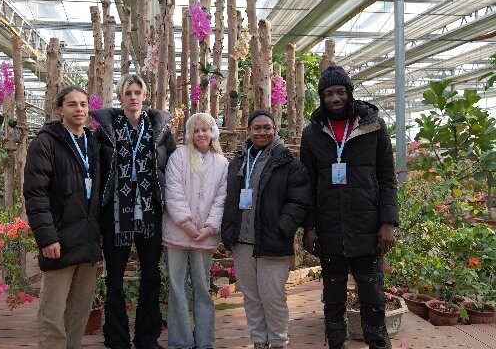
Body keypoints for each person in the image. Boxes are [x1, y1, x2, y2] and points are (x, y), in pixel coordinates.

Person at [300, 65, 398, 349]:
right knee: (333, 300)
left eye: (340, 92)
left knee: (373, 298)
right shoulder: (312, 134)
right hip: (330, 230)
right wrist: (309, 227)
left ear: (350, 93)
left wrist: (388, 222)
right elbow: (308, 184)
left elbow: (387, 178)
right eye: (329, 93)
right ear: (322, 97)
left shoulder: (373, 127)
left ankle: (378, 344)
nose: (335, 98)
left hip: (368, 229)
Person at [90, 73, 176, 349]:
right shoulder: (105, 131)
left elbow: (172, 168)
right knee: (114, 278)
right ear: (120, 97)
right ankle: (117, 339)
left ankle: (147, 338)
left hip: (150, 213)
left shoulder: (160, 131)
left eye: (138, 92)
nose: (133, 97)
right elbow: (96, 170)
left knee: (151, 275)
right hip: (116, 215)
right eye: (128, 93)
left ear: (145, 96)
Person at [221, 109, 311, 349]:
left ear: (275, 130)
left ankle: (279, 342)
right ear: (249, 131)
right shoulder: (239, 160)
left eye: (267, 127)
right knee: (251, 297)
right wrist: (228, 229)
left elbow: (299, 201)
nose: (262, 132)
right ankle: (259, 341)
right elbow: (229, 197)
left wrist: (283, 228)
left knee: (273, 297)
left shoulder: (288, 164)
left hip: (272, 241)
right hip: (242, 241)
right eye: (257, 128)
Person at [24, 86, 102, 349]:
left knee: (79, 310)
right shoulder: (45, 143)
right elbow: (35, 194)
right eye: (72, 104)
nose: (79, 109)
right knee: (53, 313)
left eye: (83, 104)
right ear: (60, 110)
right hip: (60, 240)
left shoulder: (92, 143)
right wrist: (47, 238)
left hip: (88, 240)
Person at [163, 113, 229, 349]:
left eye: (205, 129)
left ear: (213, 133)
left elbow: (222, 199)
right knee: (177, 287)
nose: (201, 134)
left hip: (205, 235)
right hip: (177, 233)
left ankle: (204, 341)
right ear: (190, 134)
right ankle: (181, 341)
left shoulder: (222, 163)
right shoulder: (179, 156)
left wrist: (210, 227)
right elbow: (173, 192)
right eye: (196, 130)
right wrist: (186, 224)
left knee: (202, 288)